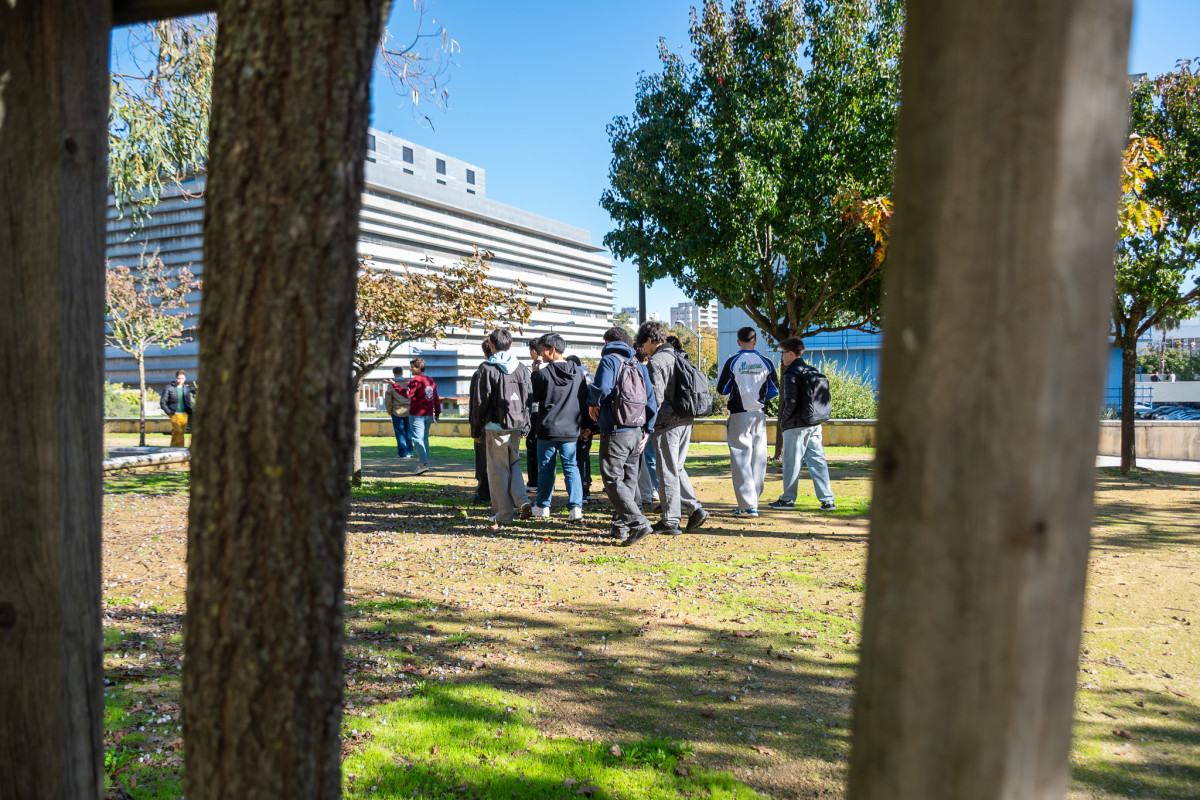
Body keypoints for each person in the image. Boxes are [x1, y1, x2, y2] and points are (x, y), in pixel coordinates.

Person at [588, 326, 659, 546]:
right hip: (636, 430)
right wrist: (648, 430)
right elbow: (651, 400)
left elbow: (601, 389)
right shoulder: (639, 364)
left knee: (611, 477)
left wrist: (592, 403)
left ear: (608, 342)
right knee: (629, 481)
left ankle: (637, 524)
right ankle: (619, 527)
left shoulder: (610, 361)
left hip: (616, 429)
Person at [638, 321, 709, 535]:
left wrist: (647, 426)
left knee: (667, 470)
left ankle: (670, 520)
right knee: (676, 467)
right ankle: (694, 508)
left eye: (644, 344)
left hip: (667, 422)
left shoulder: (657, 361)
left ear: (651, 340)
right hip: (686, 418)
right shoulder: (678, 355)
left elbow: (655, 399)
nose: (644, 349)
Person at [470, 329, 534, 527]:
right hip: (516, 425)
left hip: (495, 426)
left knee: (497, 471)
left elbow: (479, 403)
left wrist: (475, 430)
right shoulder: (522, 368)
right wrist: (526, 424)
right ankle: (522, 500)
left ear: (491, 345)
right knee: (513, 463)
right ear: (510, 344)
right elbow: (529, 399)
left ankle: (503, 515)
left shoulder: (487, 368)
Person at [716, 326, 779, 517]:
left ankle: (746, 505)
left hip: (739, 415)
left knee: (741, 459)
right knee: (758, 460)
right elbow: (775, 389)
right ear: (755, 340)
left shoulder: (732, 361)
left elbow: (722, 389)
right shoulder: (766, 362)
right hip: (759, 414)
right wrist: (757, 396)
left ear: (738, 341)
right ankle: (755, 502)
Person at [768, 337, 836, 511]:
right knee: (818, 461)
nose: (781, 357)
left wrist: (783, 420)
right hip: (814, 423)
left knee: (791, 462)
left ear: (791, 354)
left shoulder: (792, 373)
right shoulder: (811, 370)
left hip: (796, 425)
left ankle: (788, 499)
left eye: (782, 353)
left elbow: (790, 400)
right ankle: (828, 500)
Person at [530, 334, 588, 522]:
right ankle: (576, 507)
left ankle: (543, 506)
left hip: (548, 427)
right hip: (571, 427)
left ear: (552, 350)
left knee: (546, 467)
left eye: (542, 350)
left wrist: (535, 370)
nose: (540, 354)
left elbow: (534, 398)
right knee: (572, 467)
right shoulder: (578, 373)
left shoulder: (542, 374)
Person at [400, 357, 441, 475]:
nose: (410, 369)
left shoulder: (415, 380)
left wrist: (395, 386)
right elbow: (436, 398)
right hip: (428, 414)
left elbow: (407, 394)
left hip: (417, 414)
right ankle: (425, 463)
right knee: (424, 439)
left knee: (418, 439)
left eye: (412, 367)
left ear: (418, 368)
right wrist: (437, 413)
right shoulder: (431, 380)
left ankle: (423, 464)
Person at [467, 339, 495, 504]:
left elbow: (475, 403)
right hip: (506, 422)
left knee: (483, 459)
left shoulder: (481, 372)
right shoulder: (511, 369)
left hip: (485, 422)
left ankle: (484, 493)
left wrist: (474, 429)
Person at [566, 354, 597, 504]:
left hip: (577, 424)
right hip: (589, 424)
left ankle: (583, 491)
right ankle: (586, 488)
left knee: (578, 458)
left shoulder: (574, 378)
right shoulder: (589, 377)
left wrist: (583, 427)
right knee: (584, 456)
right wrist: (590, 427)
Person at [635, 345, 661, 510]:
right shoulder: (652, 368)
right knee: (653, 458)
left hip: (642, 420)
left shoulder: (639, 371)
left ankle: (648, 493)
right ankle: (654, 491)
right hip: (655, 420)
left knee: (645, 459)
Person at [160, 370, 195, 448]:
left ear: (185, 379)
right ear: (176, 378)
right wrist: (169, 412)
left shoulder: (186, 388)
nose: (180, 380)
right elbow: (163, 402)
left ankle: (177, 448)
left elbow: (188, 401)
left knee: (180, 433)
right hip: (174, 413)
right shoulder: (168, 388)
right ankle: (176, 449)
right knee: (178, 430)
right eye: (178, 378)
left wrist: (189, 411)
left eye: (182, 379)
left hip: (184, 414)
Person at [383, 366, 412, 459]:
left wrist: (389, 411)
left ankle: (402, 454)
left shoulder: (391, 384)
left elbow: (388, 400)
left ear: (394, 373)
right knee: (408, 432)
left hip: (397, 411)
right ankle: (410, 452)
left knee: (400, 433)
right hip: (409, 410)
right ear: (402, 372)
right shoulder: (409, 383)